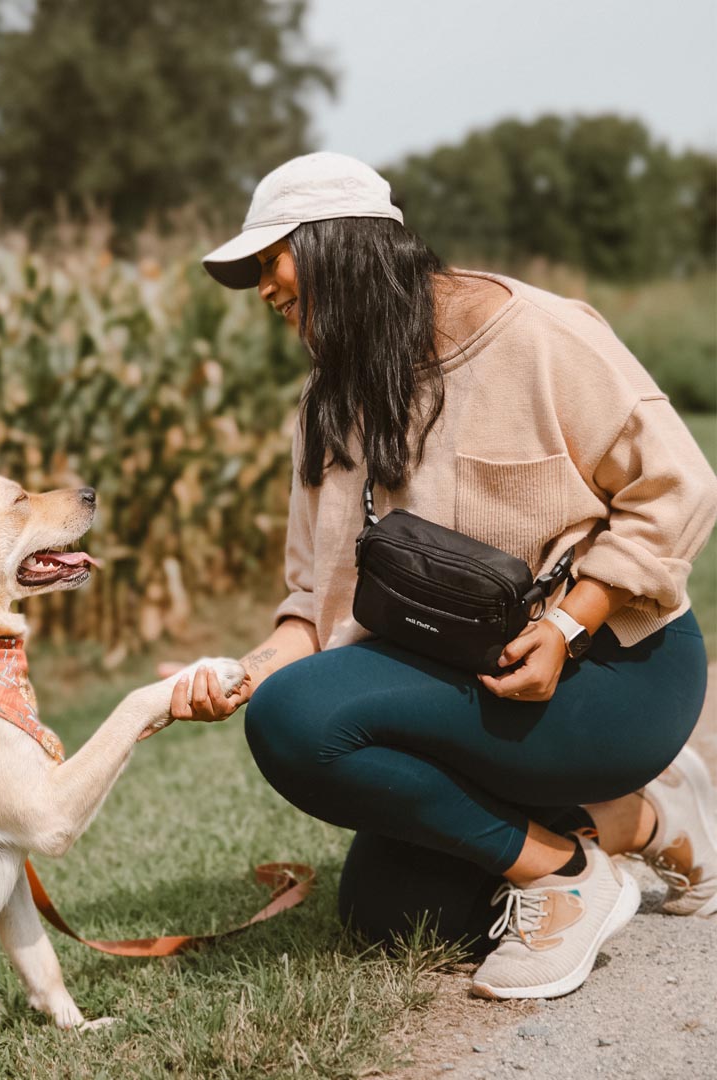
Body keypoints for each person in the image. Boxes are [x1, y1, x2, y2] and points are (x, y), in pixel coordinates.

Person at [168, 152, 717, 1000]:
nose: (264, 290)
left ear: (339, 245)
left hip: (610, 673)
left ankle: (565, 874)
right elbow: (315, 608)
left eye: (272, 258)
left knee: (297, 719)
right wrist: (243, 672)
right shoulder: (327, 404)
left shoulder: (536, 333)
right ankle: (637, 818)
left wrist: (571, 619)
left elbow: (679, 485)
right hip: (467, 691)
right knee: (391, 917)